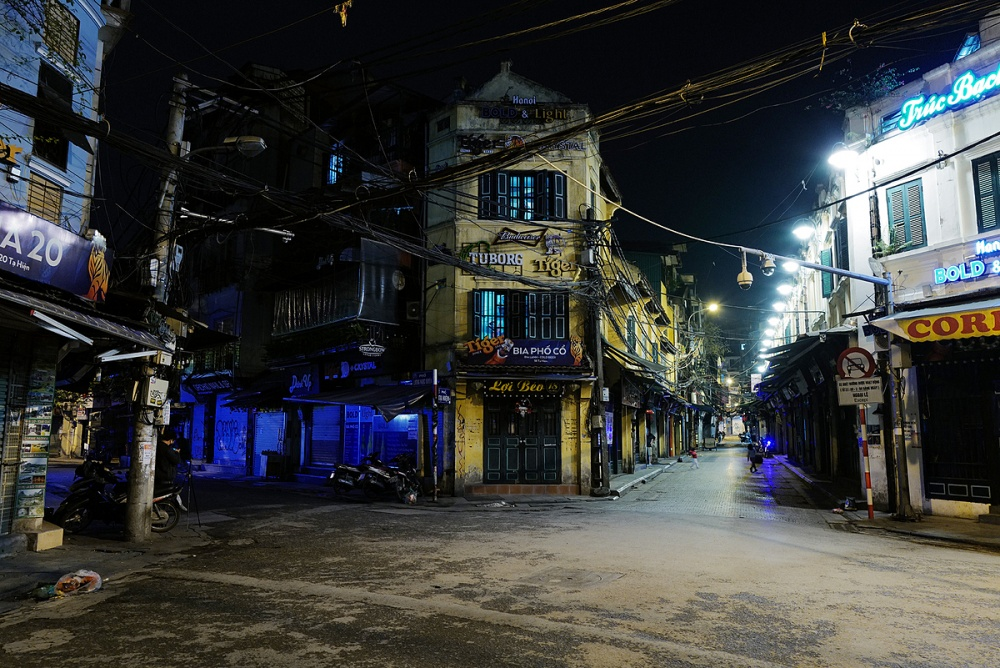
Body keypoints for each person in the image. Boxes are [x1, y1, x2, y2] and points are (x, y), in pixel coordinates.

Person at [155, 426, 182, 492]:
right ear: (171, 440)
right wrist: (177, 453)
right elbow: (177, 460)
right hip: (165, 476)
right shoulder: (167, 449)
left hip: (158, 476)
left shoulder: (157, 446)